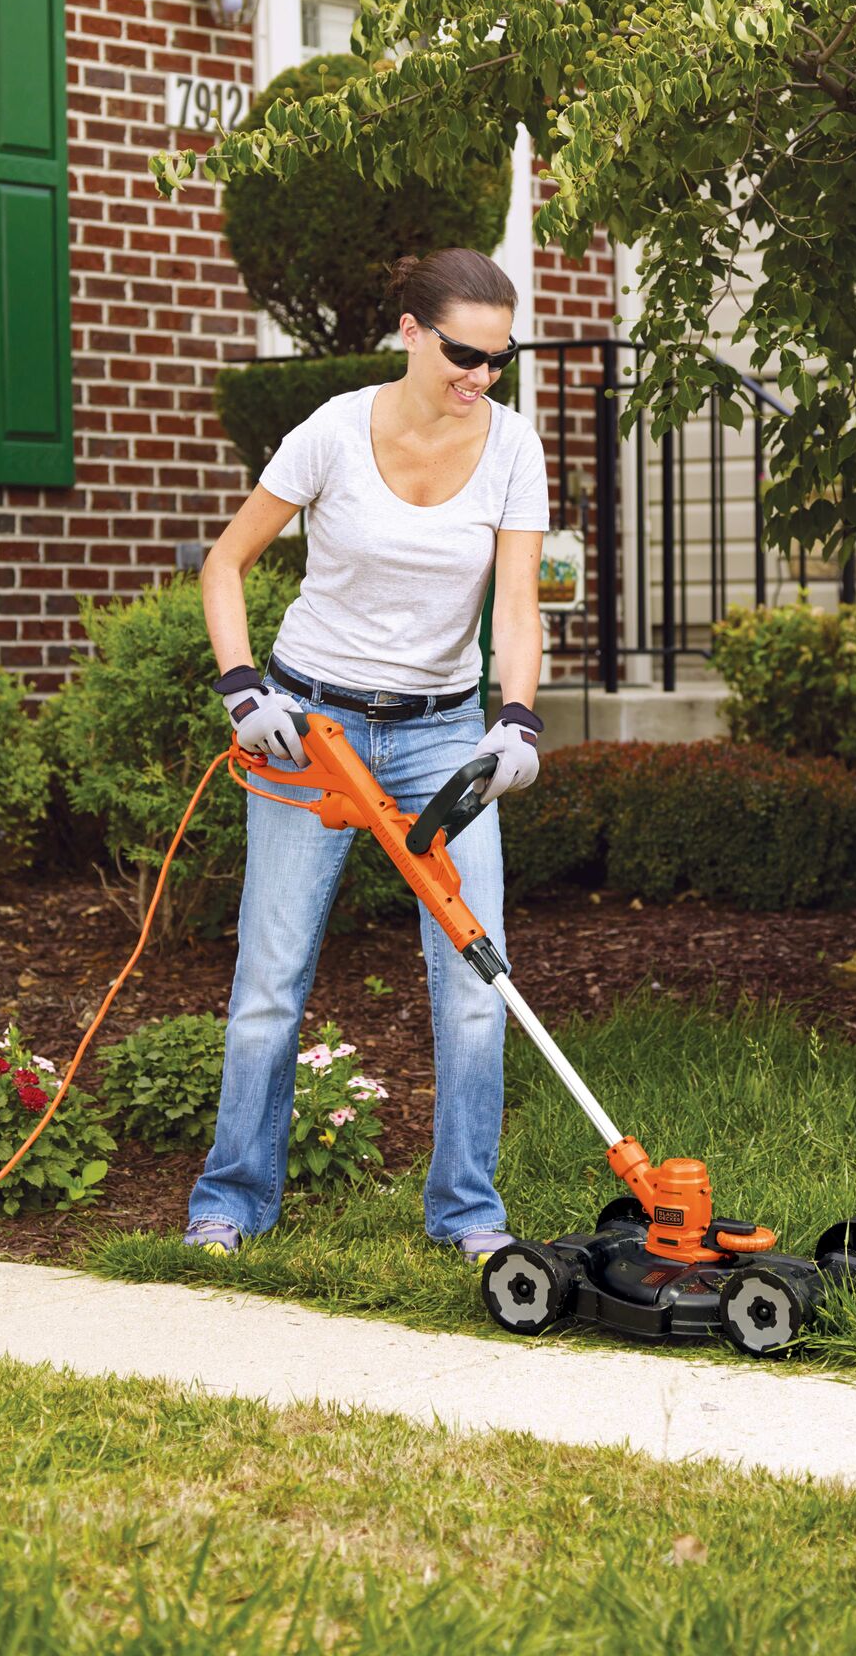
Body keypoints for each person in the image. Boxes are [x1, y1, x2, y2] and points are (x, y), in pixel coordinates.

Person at [181, 248, 549, 1261]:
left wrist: (515, 714)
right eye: (464, 354)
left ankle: (467, 1212)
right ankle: (231, 1199)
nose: (480, 376)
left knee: (475, 978)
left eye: (498, 358)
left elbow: (513, 604)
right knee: (271, 974)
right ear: (411, 332)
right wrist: (242, 686)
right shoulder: (333, 430)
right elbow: (225, 562)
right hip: (311, 728)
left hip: (439, 729)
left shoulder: (513, 445)